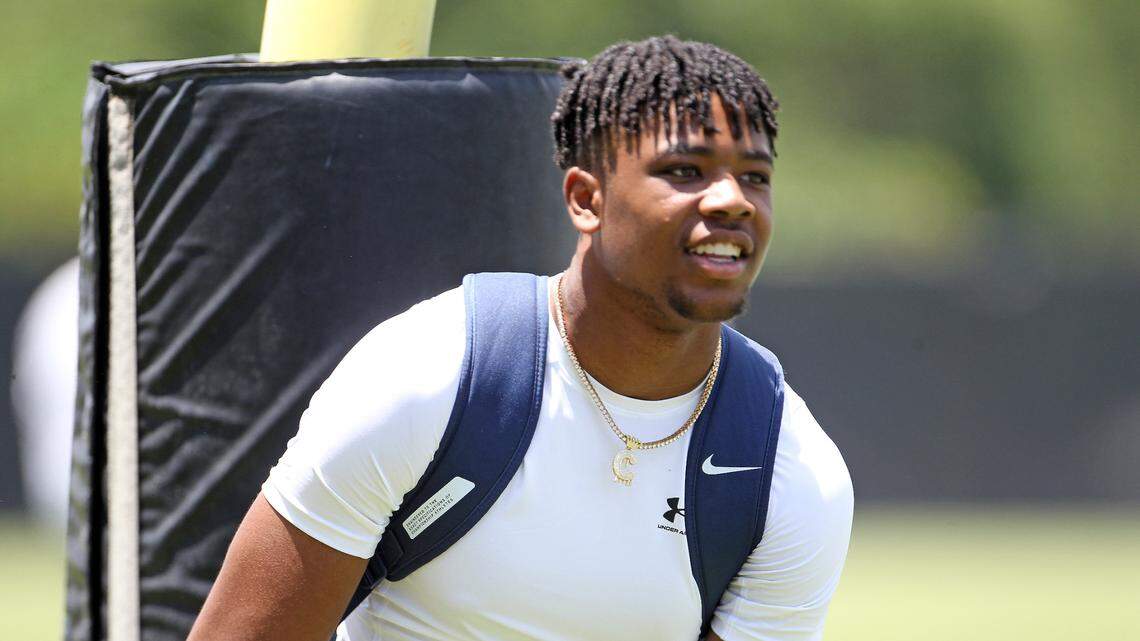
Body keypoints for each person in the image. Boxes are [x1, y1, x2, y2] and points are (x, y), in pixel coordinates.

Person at [189, 35, 853, 641]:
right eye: (685, 170)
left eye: (755, 176)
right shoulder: (427, 375)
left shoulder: (789, 473)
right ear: (586, 199)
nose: (733, 200)